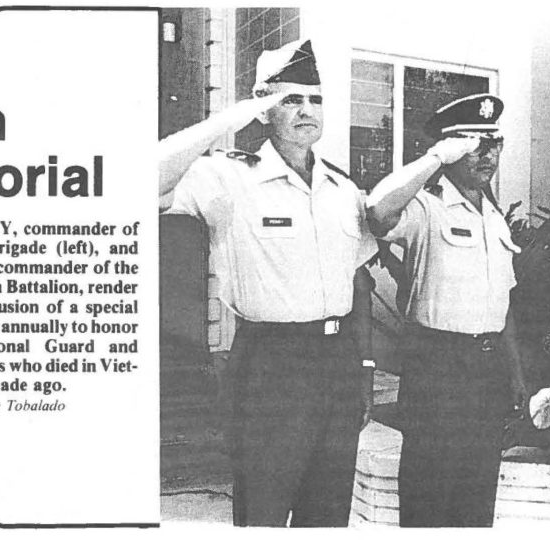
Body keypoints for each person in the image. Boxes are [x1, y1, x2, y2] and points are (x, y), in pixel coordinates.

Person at [158, 39, 378, 527]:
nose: (306, 110)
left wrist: (363, 366)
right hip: (270, 365)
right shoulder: (229, 179)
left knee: (327, 513)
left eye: (315, 99)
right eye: (290, 99)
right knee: (263, 509)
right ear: (263, 109)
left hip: (338, 362)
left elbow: (357, 281)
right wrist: (230, 118)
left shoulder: (342, 190)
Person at [366, 93, 529, 527]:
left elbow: (504, 304)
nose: (486, 154)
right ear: (449, 148)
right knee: (429, 491)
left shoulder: (493, 215)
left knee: (477, 496)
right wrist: (436, 158)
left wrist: (515, 375)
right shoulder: (426, 206)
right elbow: (378, 210)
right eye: (472, 145)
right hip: (438, 365)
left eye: (493, 144)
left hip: (488, 367)